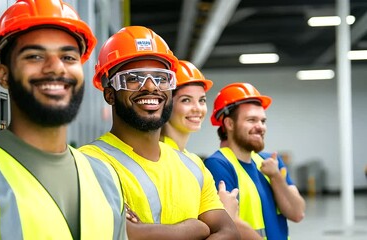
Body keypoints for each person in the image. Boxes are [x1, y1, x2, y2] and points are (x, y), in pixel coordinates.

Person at [0, 0, 126, 239]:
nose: (56, 68)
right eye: (35, 56)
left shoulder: (106, 179)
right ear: (4, 75)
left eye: (68, 57)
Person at [79, 26, 240, 240]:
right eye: (134, 78)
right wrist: (193, 228)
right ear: (110, 94)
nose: (151, 87)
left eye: (161, 78)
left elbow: (229, 233)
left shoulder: (193, 166)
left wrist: (149, 233)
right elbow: (115, 233)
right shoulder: (89, 164)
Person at [204, 82, 306, 240]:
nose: (260, 127)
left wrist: (276, 177)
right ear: (229, 124)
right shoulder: (218, 164)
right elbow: (230, 223)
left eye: (263, 121)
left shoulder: (271, 161)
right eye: (252, 120)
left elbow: (298, 213)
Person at [159, 60, 239, 220]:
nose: (197, 108)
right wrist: (226, 215)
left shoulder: (192, 160)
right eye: (186, 100)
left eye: (202, 100)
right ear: (165, 104)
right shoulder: (159, 158)